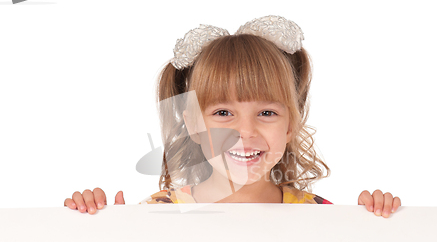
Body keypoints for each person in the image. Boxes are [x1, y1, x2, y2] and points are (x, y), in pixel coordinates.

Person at [64, 15, 401, 218]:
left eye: (267, 112)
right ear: (193, 123)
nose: (246, 131)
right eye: (223, 112)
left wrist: (372, 224)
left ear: (291, 125)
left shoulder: (319, 215)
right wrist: (102, 226)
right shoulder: (158, 212)